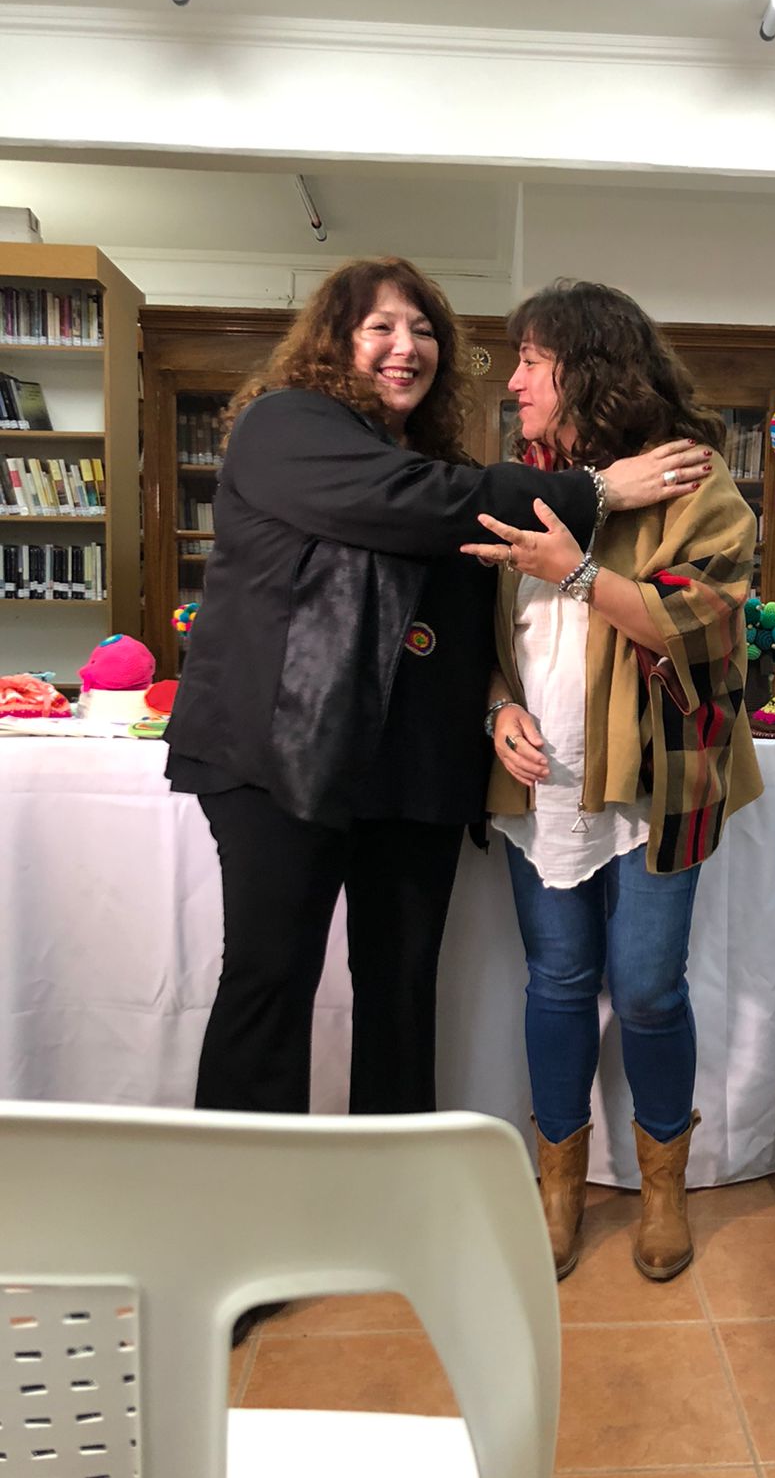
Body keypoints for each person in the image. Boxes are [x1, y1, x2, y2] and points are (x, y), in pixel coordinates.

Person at [164, 256, 712, 1123]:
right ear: (332, 342)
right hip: (279, 754)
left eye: (422, 331)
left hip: (409, 768)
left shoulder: (440, 466)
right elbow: (413, 502)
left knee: (402, 991)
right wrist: (600, 489)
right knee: (270, 982)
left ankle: (395, 1185)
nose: (406, 346)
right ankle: (246, 1192)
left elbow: (469, 618)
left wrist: (495, 703)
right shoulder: (285, 425)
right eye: (380, 327)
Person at [462, 279, 762, 1281]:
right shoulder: (521, 485)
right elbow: (479, 632)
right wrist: (496, 707)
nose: (514, 383)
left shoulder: (691, 480)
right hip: (541, 788)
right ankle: (558, 1188)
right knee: (555, 984)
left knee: (645, 988)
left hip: (660, 783)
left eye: (531, 362)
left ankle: (664, 1188)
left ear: (588, 371)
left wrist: (580, 571)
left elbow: (705, 625)